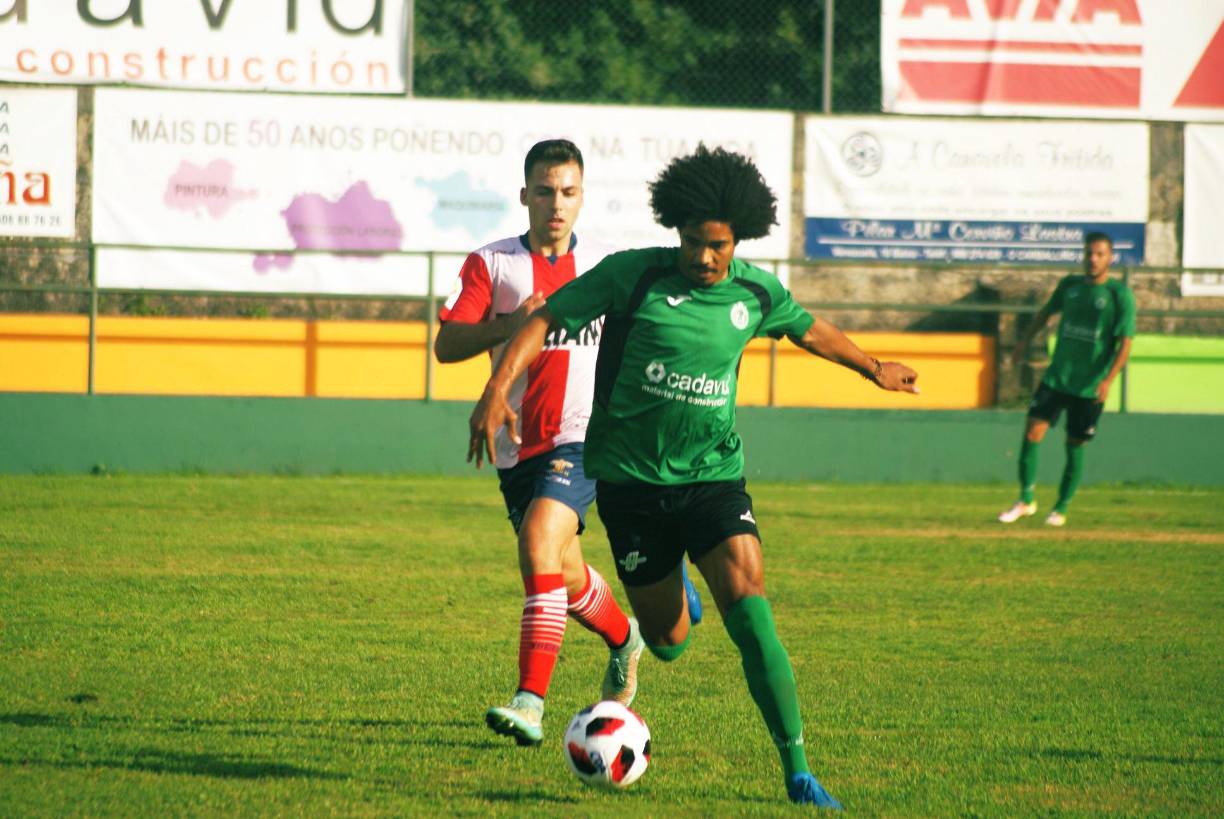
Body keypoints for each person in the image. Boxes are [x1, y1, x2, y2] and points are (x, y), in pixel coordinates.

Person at [468, 145, 919, 807]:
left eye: (718, 246)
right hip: (631, 487)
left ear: (739, 239)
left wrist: (873, 367)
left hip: (712, 479)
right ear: (674, 230)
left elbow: (808, 329)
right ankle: (672, 586)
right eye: (692, 242)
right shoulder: (633, 276)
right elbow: (544, 320)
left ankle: (797, 770)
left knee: (752, 614)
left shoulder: (756, 292)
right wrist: (496, 388)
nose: (704, 258)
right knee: (669, 641)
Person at [435, 138, 701, 748]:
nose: (556, 203)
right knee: (565, 572)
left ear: (582, 197)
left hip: (583, 439)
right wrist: (512, 324)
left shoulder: (605, 267)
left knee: (537, 541)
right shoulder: (492, 264)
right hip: (516, 447)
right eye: (545, 191)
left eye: (568, 192)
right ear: (524, 196)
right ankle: (624, 638)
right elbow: (447, 345)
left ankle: (530, 700)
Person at [999, 231, 1136, 527]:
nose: (1092, 259)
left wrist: (1108, 380)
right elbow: (1046, 313)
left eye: (1099, 254)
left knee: (1074, 446)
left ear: (1110, 258)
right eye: (1088, 253)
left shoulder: (1119, 295)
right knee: (1032, 433)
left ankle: (1060, 508)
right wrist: (1024, 341)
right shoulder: (1070, 286)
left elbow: (1125, 344)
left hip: (1089, 386)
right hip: (1057, 377)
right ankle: (1026, 499)